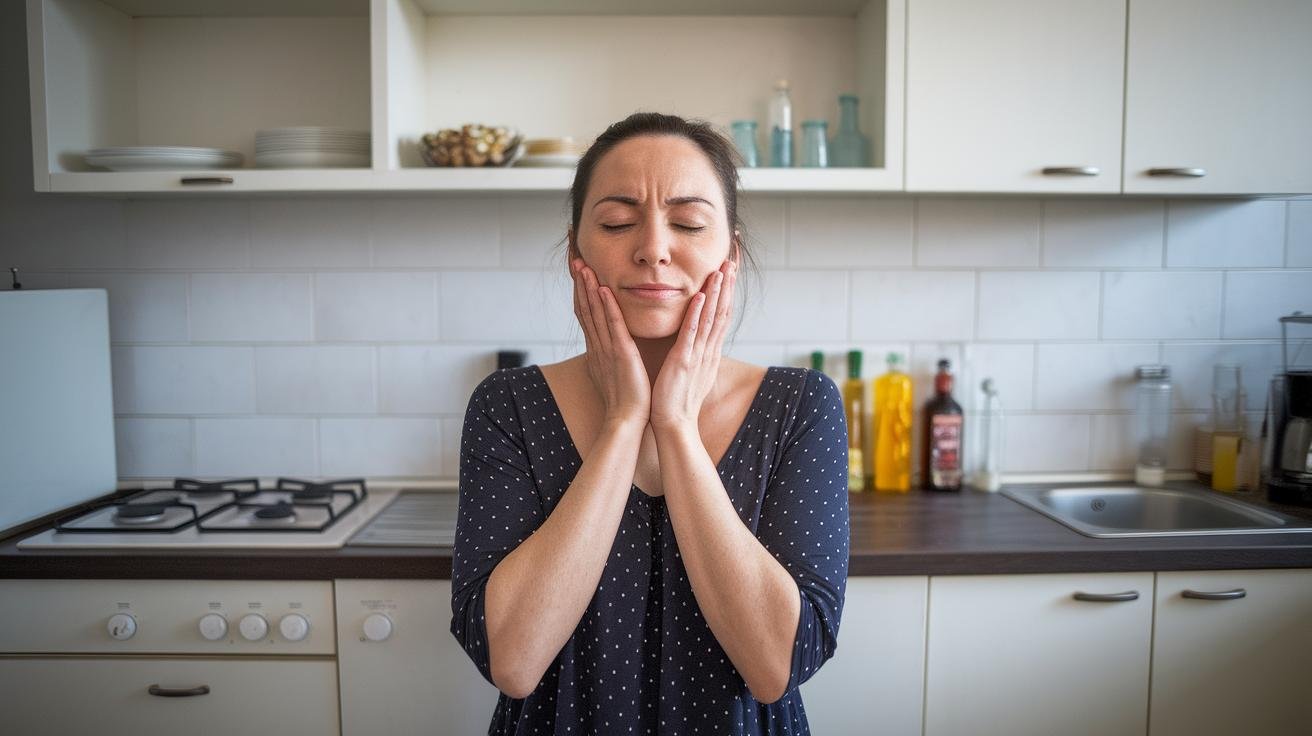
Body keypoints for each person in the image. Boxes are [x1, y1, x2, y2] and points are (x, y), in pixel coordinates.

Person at [451, 111, 850, 734]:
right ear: (575, 247)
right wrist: (623, 422)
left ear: (731, 252)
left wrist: (676, 427)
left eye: (689, 222)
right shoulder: (508, 405)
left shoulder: (801, 404)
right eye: (616, 222)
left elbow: (777, 665)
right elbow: (514, 662)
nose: (653, 249)